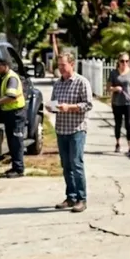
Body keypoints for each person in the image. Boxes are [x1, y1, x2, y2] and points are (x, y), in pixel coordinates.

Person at [48, 52, 93, 213]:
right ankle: (71, 197)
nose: (60, 68)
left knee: (76, 163)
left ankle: (82, 199)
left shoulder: (82, 82)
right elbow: (54, 103)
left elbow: (88, 105)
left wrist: (70, 107)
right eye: (58, 65)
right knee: (66, 165)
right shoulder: (58, 84)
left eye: (63, 65)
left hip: (76, 130)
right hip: (61, 129)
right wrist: (51, 107)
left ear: (72, 64)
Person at [109, 52, 130, 157]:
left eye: (126, 61)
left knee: (129, 124)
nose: (124, 63)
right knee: (118, 124)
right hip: (117, 103)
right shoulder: (113, 73)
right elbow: (108, 88)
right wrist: (115, 88)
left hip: (129, 102)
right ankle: (118, 143)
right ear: (118, 62)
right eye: (122, 61)